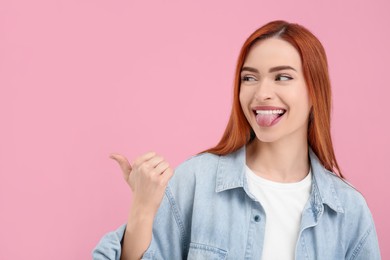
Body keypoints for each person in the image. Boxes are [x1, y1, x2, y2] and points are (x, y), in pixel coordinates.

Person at [93, 20, 381, 259]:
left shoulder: (348, 211)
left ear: (314, 90)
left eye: (282, 77)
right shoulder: (196, 180)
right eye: (249, 78)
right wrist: (142, 209)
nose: (262, 93)